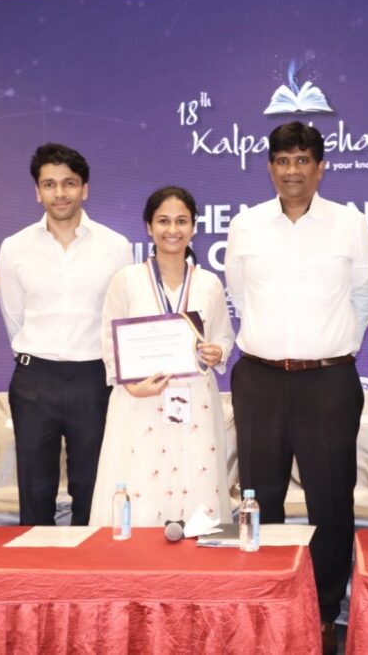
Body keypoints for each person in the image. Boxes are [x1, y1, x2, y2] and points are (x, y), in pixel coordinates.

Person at [225, 121, 368, 652]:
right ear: (270, 167)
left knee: (330, 501)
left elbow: (365, 295)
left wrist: (331, 347)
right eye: (283, 160)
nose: (293, 170)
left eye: (303, 160)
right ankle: (269, 603)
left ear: (320, 167)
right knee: (259, 497)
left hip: (328, 381)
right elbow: (238, 294)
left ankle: (326, 612)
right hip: (260, 379)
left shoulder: (349, 225)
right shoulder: (246, 225)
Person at [0, 143, 132, 526]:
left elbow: (121, 316)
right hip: (35, 379)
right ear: (37, 191)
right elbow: (13, 316)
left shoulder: (115, 246)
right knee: (35, 489)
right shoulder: (15, 248)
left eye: (69, 183)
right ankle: (36, 563)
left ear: (84, 189)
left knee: (91, 486)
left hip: (93, 379)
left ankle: (89, 562)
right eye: (50, 184)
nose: (60, 193)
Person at [88, 187, 233, 527]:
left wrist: (218, 351)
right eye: (163, 221)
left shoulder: (209, 283)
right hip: (140, 398)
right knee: (141, 483)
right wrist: (130, 385)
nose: (173, 230)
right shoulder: (127, 280)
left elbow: (223, 335)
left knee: (196, 482)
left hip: (194, 400)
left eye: (181, 221)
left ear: (193, 227)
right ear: (149, 227)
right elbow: (109, 338)